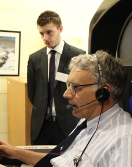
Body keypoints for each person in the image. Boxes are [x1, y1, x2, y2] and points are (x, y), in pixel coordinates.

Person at [0, 50, 132, 167]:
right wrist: (16, 153)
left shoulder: (127, 141)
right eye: (68, 85)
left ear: (103, 92)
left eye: (76, 88)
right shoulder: (88, 121)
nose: (66, 94)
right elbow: (58, 160)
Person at [27, 10, 85, 145]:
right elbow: (32, 93)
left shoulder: (78, 55)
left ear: (60, 29)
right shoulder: (34, 58)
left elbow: (82, 90)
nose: (45, 38)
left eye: (49, 32)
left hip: (67, 124)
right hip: (41, 126)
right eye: (41, 33)